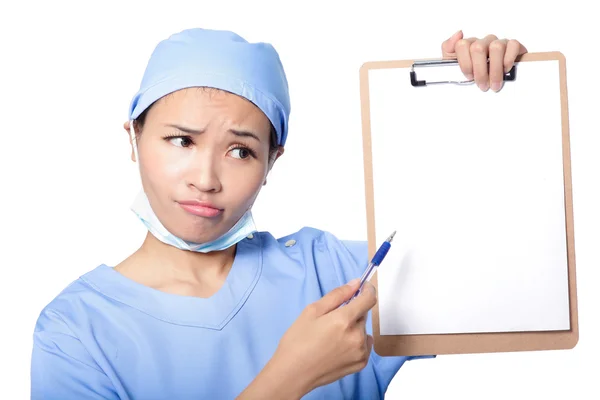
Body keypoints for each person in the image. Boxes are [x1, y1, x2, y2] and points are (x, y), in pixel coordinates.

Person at [30, 28, 527, 399]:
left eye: (240, 151)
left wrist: (485, 101)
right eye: (181, 140)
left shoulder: (337, 276)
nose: (205, 177)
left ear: (272, 161)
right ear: (134, 138)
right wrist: (288, 378)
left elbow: (520, 277)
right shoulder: (76, 331)